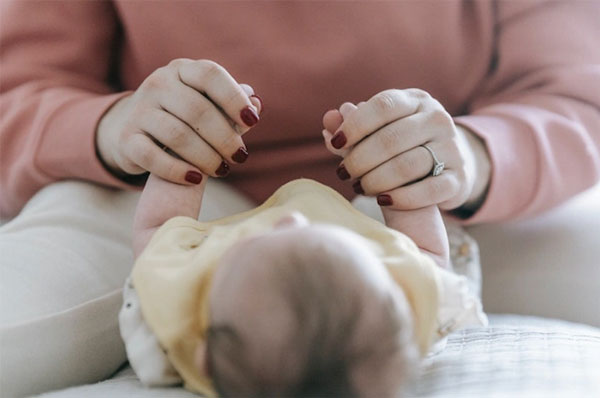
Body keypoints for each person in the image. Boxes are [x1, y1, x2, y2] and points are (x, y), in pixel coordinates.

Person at [1, 1, 599, 396]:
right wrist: (118, 129)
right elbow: (17, 92)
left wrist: (464, 159)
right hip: (148, 186)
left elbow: (580, 97)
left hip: (459, 201)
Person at [119, 174, 485, 397]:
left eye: (250, 244)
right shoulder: (396, 324)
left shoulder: (178, 323)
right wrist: (402, 190)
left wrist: (185, 165)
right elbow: (426, 256)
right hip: (364, 230)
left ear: (205, 359)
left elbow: (159, 231)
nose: (291, 219)